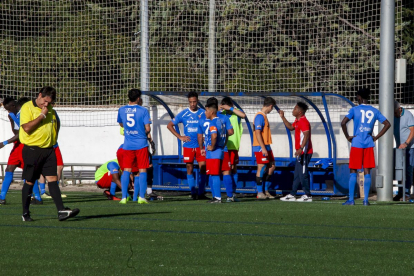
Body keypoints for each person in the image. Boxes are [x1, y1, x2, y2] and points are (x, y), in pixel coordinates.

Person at [19, 86, 79, 221]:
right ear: (39, 95)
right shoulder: (27, 107)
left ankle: (61, 211)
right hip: (32, 150)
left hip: (49, 150)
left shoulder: (50, 109)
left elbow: (56, 124)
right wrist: (42, 115)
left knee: (53, 179)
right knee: (29, 181)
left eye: (49, 102)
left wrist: (53, 139)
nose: (46, 104)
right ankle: (25, 213)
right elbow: (27, 128)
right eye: (44, 101)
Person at [341, 88, 391, 206]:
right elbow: (387, 124)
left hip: (357, 143)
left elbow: (343, 123)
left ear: (359, 97)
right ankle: (365, 200)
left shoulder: (354, 109)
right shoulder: (374, 110)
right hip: (368, 143)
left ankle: (351, 200)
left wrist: (348, 136)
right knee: (367, 171)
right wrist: (376, 137)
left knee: (353, 170)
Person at [167, 92, 208, 199]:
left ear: (197, 101)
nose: (193, 104)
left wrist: (206, 136)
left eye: (194, 102)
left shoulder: (203, 113)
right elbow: (170, 125)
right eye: (191, 102)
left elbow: (210, 125)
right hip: (188, 146)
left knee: (203, 168)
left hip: (201, 146)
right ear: (188, 102)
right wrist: (180, 137)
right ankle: (193, 192)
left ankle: (201, 193)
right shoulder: (184, 114)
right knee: (189, 168)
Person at [117, 89, 151, 204]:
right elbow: (148, 128)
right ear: (138, 99)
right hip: (141, 144)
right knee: (142, 170)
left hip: (128, 144)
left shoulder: (121, 110)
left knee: (126, 170)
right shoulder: (143, 110)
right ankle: (141, 197)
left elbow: (121, 124)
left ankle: (123, 197)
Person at [279, 102, 314, 202]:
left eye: (295, 109)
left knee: (303, 174)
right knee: (297, 174)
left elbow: (306, 135)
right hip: (300, 152)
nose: (293, 110)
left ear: (300, 111)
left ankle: (308, 195)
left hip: (305, 152)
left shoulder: (303, 121)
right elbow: (291, 127)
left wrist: (301, 148)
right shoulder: (297, 120)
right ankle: (292, 194)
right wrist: (282, 117)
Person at [197, 100, 229, 203]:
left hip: (214, 152)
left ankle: (217, 197)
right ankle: (215, 196)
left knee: (214, 174)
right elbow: (227, 134)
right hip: (219, 150)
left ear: (211, 112)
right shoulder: (220, 121)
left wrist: (212, 146)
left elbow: (214, 135)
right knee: (212, 174)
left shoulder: (213, 122)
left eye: (206, 111)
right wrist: (222, 145)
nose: (205, 113)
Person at [0, 97, 29, 205]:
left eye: (8, 109)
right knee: (10, 168)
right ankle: (1, 197)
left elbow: (21, 135)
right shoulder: (13, 114)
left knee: (28, 170)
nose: (8, 111)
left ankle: (37, 196)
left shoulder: (23, 114)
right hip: (17, 145)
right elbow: (15, 132)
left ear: (13, 106)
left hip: (25, 144)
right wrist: (11, 119)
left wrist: (4, 143)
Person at [219, 97, 245, 202]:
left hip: (234, 146)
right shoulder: (221, 114)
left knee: (233, 169)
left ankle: (233, 193)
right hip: (224, 147)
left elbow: (243, 115)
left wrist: (230, 108)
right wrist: (219, 108)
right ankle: (229, 194)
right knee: (226, 170)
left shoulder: (236, 114)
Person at [252, 97, 276, 199]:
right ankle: (260, 192)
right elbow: (257, 133)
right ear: (270, 106)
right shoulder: (259, 116)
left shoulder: (264, 116)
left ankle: (266, 190)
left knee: (271, 166)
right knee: (261, 167)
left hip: (266, 145)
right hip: (260, 147)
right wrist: (263, 148)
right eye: (272, 108)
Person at [393, 101, 414, 201]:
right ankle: (400, 192)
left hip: (410, 147)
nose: (394, 115)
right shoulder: (393, 116)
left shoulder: (408, 115)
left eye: (395, 113)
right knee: (399, 170)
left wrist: (406, 143)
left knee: (408, 170)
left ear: (399, 109)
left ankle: (407, 193)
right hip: (399, 148)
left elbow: (412, 131)